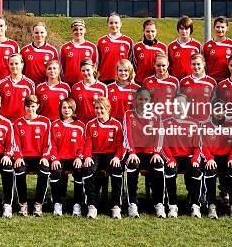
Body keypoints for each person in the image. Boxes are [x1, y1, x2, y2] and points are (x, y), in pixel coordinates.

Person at [123, 88, 165, 218]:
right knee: (132, 166)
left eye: (146, 99)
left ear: (150, 101)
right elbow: (127, 134)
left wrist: (157, 152)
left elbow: (160, 135)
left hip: (151, 153)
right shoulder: (128, 114)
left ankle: (159, 204)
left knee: (158, 167)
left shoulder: (156, 116)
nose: (143, 102)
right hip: (134, 152)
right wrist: (132, 152)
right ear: (135, 100)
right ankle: (132, 204)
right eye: (140, 99)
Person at [161, 94, 204, 218]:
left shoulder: (195, 123)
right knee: (169, 170)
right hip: (173, 157)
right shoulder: (166, 122)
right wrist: (170, 159)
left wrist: (196, 159)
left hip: (190, 157)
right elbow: (163, 145)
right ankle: (172, 206)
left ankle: (195, 205)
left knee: (196, 170)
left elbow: (198, 146)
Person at [82, 97, 126, 219]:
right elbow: (88, 143)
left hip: (111, 154)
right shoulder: (90, 124)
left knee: (117, 170)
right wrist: (87, 157)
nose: (99, 111)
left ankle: (116, 206)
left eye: (101, 108)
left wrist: (117, 157)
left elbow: (120, 144)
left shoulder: (116, 124)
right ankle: (92, 205)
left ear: (108, 109)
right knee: (87, 169)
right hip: (96, 154)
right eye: (96, 108)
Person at [201, 100, 232, 219]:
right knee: (210, 170)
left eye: (222, 110)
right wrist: (209, 158)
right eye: (216, 110)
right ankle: (211, 205)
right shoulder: (205, 125)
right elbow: (203, 146)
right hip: (211, 158)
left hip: (228, 158)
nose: (219, 113)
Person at [13, 95, 52, 217]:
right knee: (19, 171)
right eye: (28, 106)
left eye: (33, 106)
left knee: (45, 171)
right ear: (24, 107)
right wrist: (18, 157)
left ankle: (38, 204)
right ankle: (23, 204)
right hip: (23, 157)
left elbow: (48, 144)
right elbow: (16, 143)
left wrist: (45, 157)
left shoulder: (45, 122)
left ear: (38, 106)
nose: (30, 109)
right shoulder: (18, 122)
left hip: (39, 157)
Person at [49, 98, 86, 216]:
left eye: (69, 107)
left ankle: (77, 204)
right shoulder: (55, 125)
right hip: (59, 158)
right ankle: (57, 203)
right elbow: (52, 144)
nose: (66, 110)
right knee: (55, 171)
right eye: (64, 107)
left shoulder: (80, 125)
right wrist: (54, 158)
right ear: (60, 109)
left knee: (79, 172)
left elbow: (83, 145)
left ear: (73, 109)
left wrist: (79, 157)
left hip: (74, 158)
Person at [97, 12, 134, 84]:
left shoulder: (128, 41)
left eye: (116, 23)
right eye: (111, 23)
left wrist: (131, 77)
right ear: (107, 24)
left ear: (120, 24)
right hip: (105, 79)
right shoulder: (101, 41)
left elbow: (131, 62)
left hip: (122, 79)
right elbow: (97, 62)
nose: (114, 25)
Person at [0, 53, 35, 123]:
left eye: (16, 63)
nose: (14, 66)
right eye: (11, 64)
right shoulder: (2, 83)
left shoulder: (29, 83)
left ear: (22, 65)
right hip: (5, 122)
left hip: (23, 122)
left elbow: (33, 106)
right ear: (8, 65)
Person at [60, 19, 98, 87]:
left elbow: (95, 66)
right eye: (75, 29)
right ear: (72, 31)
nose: (78, 32)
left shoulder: (91, 47)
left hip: (86, 83)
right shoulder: (65, 47)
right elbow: (62, 67)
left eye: (81, 29)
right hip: (69, 83)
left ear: (85, 30)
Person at [179, 54, 217, 121]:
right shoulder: (183, 82)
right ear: (190, 65)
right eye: (193, 64)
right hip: (188, 120)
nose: (196, 67)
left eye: (198, 64)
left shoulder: (211, 82)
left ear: (204, 64)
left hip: (206, 120)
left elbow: (214, 101)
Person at [71, 58, 108, 124]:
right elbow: (72, 108)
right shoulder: (75, 87)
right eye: (83, 70)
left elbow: (106, 108)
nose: (85, 73)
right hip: (80, 123)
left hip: (96, 124)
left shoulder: (102, 87)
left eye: (88, 70)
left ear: (94, 68)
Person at [203, 16, 232, 83]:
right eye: (218, 27)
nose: (220, 29)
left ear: (227, 28)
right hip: (212, 79)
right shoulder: (207, 45)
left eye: (222, 27)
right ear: (214, 28)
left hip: (228, 80)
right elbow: (204, 64)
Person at [133, 19, 167, 85]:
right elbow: (135, 65)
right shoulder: (137, 47)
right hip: (140, 81)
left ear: (156, 31)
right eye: (147, 31)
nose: (150, 34)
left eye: (152, 31)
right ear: (143, 31)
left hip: (156, 82)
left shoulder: (162, 47)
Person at [168, 16, 201, 80]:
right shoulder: (171, 46)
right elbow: (169, 65)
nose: (184, 31)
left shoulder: (197, 45)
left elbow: (201, 65)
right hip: (176, 80)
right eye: (182, 28)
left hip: (192, 80)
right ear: (178, 29)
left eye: (186, 29)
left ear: (190, 29)